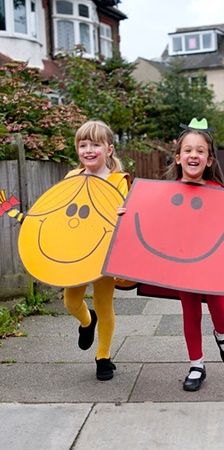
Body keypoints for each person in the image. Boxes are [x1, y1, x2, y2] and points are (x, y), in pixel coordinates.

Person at [164, 118, 224, 391]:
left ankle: (222, 334)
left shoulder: (219, 192)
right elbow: (156, 224)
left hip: (212, 266)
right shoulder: (166, 194)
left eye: (200, 151)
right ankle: (196, 365)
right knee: (190, 313)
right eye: (188, 150)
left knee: (219, 308)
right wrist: (130, 215)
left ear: (209, 160)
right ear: (178, 158)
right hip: (183, 265)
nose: (194, 155)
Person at [64, 120, 130, 381]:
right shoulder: (71, 177)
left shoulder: (118, 181)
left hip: (104, 253)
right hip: (76, 253)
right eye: (83, 145)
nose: (88, 150)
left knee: (104, 304)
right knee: (70, 302)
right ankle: (86, 322)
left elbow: (122, 213)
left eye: (95, 144)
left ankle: (103, 357)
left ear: (109, 149)